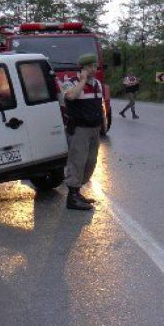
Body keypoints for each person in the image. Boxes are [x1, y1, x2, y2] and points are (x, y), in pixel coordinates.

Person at [60, 54, 103, 210]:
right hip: (79, 130)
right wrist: (83, 81)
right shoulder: (68, 83)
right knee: (77, 161)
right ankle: (72, 198)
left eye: (95, 66)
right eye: (91, 66)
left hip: (94, 129)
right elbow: (70, 96)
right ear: (83, 68)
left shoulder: (97, 84)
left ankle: (77, 192)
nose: (94, 69)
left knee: (90, 162)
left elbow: (99, 105)